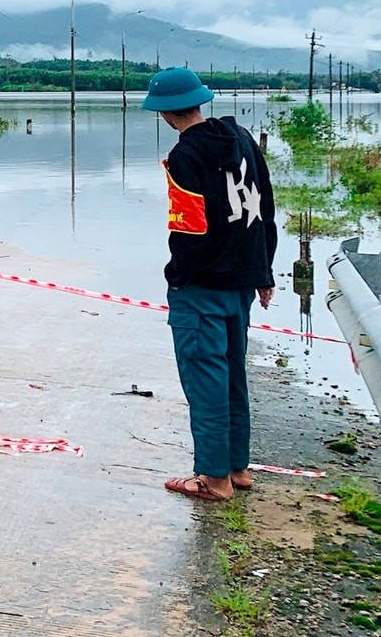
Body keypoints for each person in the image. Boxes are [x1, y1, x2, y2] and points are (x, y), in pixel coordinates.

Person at [142, 67, 277, 502]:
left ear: (164, 113)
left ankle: (213, 479)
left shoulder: (186, 156)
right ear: (200, 101)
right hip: (242, 284)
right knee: (233, 373)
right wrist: (263, 272)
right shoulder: (243, 140)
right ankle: (238, 468)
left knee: (205, 379)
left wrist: (177, 277)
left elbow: (189, 230)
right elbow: (265, 211)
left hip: (201, 288)